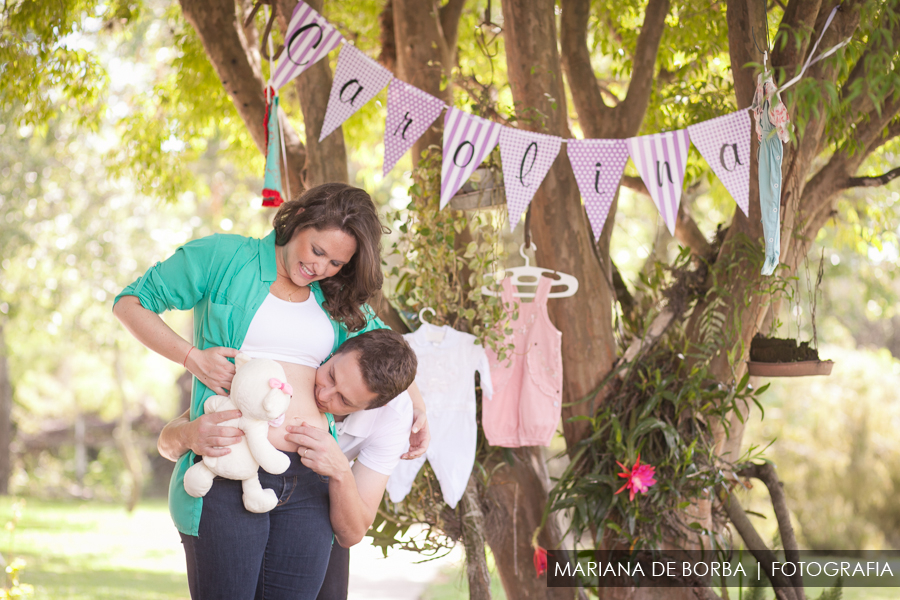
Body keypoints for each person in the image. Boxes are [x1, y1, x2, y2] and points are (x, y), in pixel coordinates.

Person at [113, 183, 429, 599]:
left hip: (309, 483)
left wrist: (417, 405)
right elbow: (131, 302)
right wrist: (192, 357)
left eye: (337, 262)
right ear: (297, 219)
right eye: (317, 251)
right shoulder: (223, 257)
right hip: (229, 469)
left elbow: (386, 349)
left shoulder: (336, 295)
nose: (321, 268)